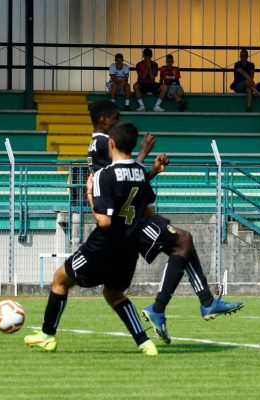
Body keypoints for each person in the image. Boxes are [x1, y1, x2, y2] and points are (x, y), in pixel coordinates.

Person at [86, 101, 243, 346]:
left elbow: (125, 180)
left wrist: (153, 171)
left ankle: (203, 302)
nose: (118, 121)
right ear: (104, 120)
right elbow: (123, 176)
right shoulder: (105, 143)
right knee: (182, 241)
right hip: (128, 221)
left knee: (184, 242)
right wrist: (143, 155)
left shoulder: (98, 144)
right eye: (115, 117)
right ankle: (171, 307)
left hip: (130, 214)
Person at [24, 121, 159, 356]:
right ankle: (145, 343)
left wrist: (88, 195)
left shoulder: (103, 175)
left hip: (102, 245)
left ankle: (47, 335)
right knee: (114, 294)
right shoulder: (140, 173)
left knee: (59, 280)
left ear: (112, 143)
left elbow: (103, 221)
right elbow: (149, 212)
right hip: (129, 248)